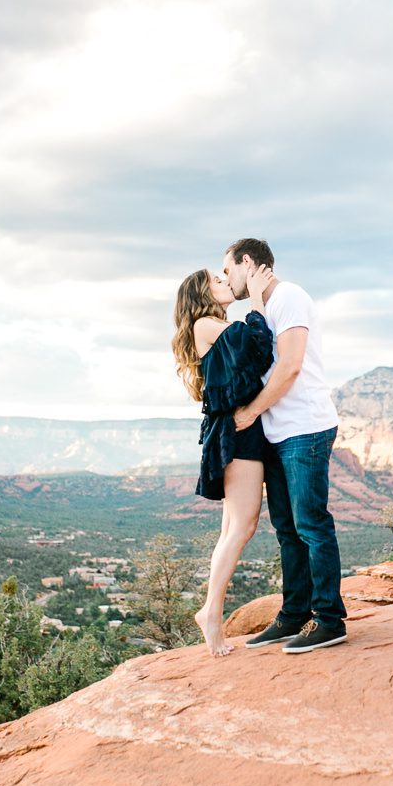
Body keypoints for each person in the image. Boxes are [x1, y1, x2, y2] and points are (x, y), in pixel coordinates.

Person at [222, 237, 347, 654]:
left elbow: (291, 366)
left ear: (246, 262)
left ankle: (329, 619)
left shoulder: (290, 296)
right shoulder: (262, 307)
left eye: (228, 271)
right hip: (278, 432)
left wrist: (253, 411)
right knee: (287, 530)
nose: (227, 279)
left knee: (311, 524)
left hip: (305, 429)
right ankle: (294, 614)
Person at [172, 265, 275, 656]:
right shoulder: (204, 324)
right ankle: (211, 613)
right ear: (201, 295)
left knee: (233, 527)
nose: (223, 283)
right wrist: (258, 296)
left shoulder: (213, 327)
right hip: (238, 432)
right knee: (242, 526)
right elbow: (259, 345)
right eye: (215, 281)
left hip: (239, 428)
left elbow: (250, 361)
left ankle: (210, 610)